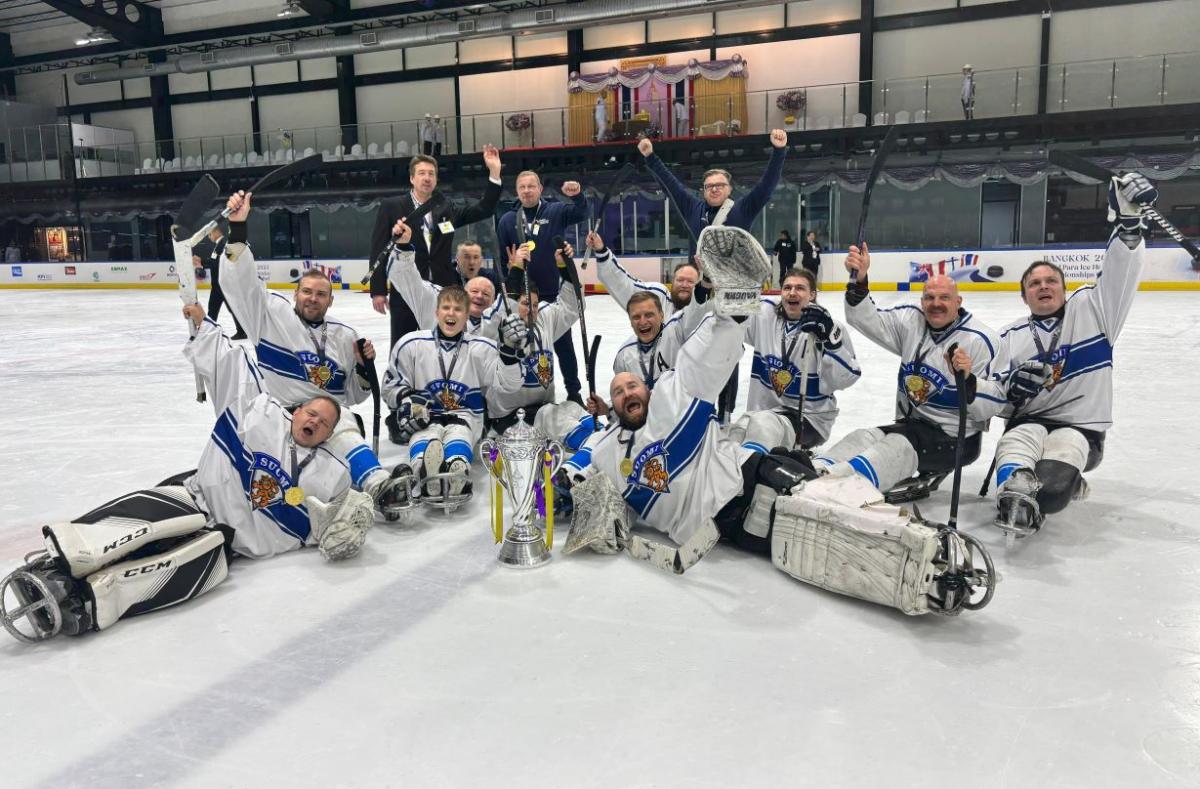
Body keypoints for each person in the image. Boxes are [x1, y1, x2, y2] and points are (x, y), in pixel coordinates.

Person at [557, 226, 992, 615]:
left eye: (633, 386)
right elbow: (584, 481)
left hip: (747, 475)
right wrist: (562, 489)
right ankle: (909, 567)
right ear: (610, 407)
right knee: (807, 546)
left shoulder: (673, 396)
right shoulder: (608, 450)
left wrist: (732, 303)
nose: (628, 391)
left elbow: (707, 352)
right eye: (618, 391)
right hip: (727, 526)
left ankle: (929, 547)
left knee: (816, 500)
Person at [0, 306, 378, 643]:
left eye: (324, 422)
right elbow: (234, 369)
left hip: (227, 546)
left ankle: (84, 603)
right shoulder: (260, 415)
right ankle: (64, 558)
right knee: (153, 522)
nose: (314, 421)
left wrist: (334, 523)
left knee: (185, 561)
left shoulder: (327, 474)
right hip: (195, 496)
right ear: (296, 411)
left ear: (330, 434)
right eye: (311, 413)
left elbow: (309, 509)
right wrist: (204, 328)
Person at [981, 173, 1156, 537]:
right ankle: (1013, 488)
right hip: (1027, 423)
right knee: (1014, 448)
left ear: (1064, 289)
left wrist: (1128, 224)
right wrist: (1008, 391)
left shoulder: (1095, 310)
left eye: (1051, 282)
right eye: (1034, 283)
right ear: (1023, 295)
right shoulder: (1009, 337)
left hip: (1081, 430)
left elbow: (1120, 272)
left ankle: (1066, 482)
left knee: (1051, 493)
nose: (1043, 286)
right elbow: (990, 396)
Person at [217, 191, 399, 508]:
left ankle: (377, 483)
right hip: (282, 415)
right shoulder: (269, 316)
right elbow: (240, 284)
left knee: (342, 428)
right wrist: (239, 229)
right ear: (296, 293)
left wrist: (361, 369)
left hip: (329, 418)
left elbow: (355, 396)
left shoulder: (345, 336)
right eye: (307, 292)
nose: (312, 298)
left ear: (331, 300)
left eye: (321, 294)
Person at [814, 246, 1006, 501]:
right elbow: (869, 320)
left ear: (959, 302)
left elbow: (994, 404)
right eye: (929, 297)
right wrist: (860, 281)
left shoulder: (982, 340)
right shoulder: (911, 321)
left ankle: (831, 488)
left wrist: (969, 381)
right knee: (864, 436)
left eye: (944, 298)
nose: (935, 304)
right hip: (911, 425)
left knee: (896, 447)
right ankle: (815, 472)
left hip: (954, 438)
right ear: (922, 300)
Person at [639, 129, 789, 421]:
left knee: (728, 353)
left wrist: (779, 152)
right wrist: (650, 157)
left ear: (729, 189)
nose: (714, 189)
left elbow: (767, 187)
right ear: (703, 190)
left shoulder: (742, 208)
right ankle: (694, 404)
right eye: (709, 186)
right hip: (704, 287)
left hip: (738, 290)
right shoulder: (694, 209)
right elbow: (671, 186)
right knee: (697, 344)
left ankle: (726, 412)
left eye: (720, 185)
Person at [381, 219, 527, 507]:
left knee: (459, 433)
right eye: (473, 292)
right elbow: (407, 279)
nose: (479, 296)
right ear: (437, 310)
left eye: (486, 294)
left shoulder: (485, 338)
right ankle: (421, 466)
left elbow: (509, 382)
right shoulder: (416, 340)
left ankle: (456, 466)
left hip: (466, 414)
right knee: (426, 436)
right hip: (427, 414)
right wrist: (403, 246)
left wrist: (510, 352)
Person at [368, 149, 503, 438]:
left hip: (443, 291)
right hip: (408, 289)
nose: (427, 178)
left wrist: (494, 174)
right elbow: (379, 244)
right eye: (422, 173)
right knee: (403, 346)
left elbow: (483, 209)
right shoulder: (393, 205)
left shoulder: (445, 208)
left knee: (442, 350)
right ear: (412, 178)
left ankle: (444, 407)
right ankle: (400, 416)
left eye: (431, 174)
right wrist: (378, 289)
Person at [495, 171, 589, 405]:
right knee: (520, 343)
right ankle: (522, 390)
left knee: (563, 345)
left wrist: (577, 196)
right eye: (522, 187)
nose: (526, 191)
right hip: (521, 295)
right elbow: (502, 256)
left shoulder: (555, 211)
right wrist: (510, 268)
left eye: (531, 186)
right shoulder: (508, 219)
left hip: (550, 293)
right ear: (516, 191)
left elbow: (581, 212)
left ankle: (573, 391)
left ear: (540, 189)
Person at [744, 267, 860, 449]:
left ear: (812, 295)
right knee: (739, 433)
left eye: (800, 288)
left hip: (810, 418)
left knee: (765, 431)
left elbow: (846, 378)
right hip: (761, 415)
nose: (792, 293)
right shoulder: (765, 315)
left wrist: (831, 342)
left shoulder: (829, 328)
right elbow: (728, 321)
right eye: (787, 287)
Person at [192, 223, 246, 340]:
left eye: (210, 233)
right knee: (214, 308)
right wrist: (201, 262)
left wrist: (201, 262)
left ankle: (240, 332)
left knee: (228, 309)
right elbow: (214, 261)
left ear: (217, 232)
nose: (209, 236)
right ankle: (209, 331)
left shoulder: (223, 244)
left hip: (223, 285)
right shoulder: (218, 245)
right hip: (218, 286)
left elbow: (222, 263)